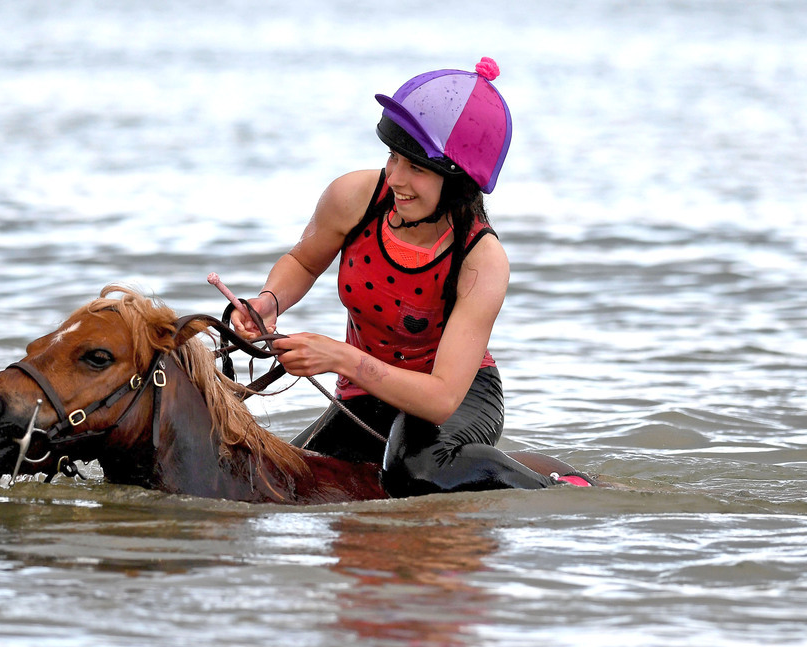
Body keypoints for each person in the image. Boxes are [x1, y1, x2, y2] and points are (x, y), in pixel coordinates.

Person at [232, 59, 591, 494]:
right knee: (280, 481)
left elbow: (440, 398)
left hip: (456, 397)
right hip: (367, 391)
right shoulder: (354, 197)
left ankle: (554, 488)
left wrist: (339, 358)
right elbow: (304, 263)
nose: (396, 178)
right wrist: (269, 301)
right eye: (393, 157)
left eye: (417, 168)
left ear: (458, 181)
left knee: (414, 470)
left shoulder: (482, 260)